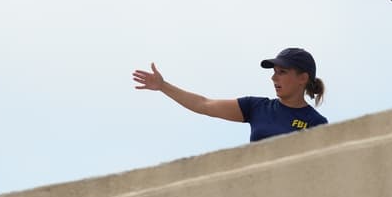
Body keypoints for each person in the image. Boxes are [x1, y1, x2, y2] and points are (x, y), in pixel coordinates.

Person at [132, 48, 327, 142]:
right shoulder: (256, 107)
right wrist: (163, 86)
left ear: (302, 78)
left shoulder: (316, 122)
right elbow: (204, 105)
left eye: (282, 72)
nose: (274, 78)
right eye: (274, 72)